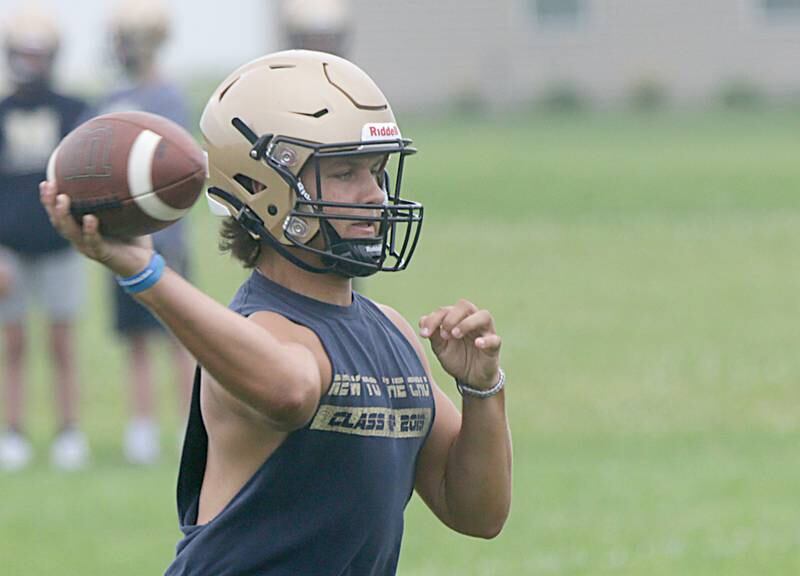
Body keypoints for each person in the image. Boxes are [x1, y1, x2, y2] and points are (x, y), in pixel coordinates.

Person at [42, 50, 511, 575]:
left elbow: (477, 512)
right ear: (263, 188)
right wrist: (145, 272)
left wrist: (482, 389)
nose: (376, 196)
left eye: (377, 171)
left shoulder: (394, 333)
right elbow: (292, 391)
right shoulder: (260, 330)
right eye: (346, 172)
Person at [93, 0, 194, 465]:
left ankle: (189, 425)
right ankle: (141, 429)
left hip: (167, 241)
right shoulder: (111, 98)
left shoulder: (167, 96)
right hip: (121, 238)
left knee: (182, 336)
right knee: (136, 340)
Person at [0, 4, 89, 471]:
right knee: (12, 344)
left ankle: (68, 430)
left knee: (62, 342)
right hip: (9, 247)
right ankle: (12, 431)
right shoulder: (2, 111)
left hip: (59, 243)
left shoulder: (72, 109)